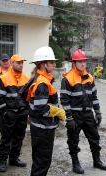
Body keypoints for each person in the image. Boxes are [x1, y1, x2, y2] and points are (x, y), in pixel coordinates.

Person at [60, 49, 106, 174]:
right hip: (75, 115)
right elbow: (64, 100)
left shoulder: (90, 78)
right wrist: (69, 118)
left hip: (88, 114)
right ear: (74, 63)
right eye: (80, 62)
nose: (83, 64)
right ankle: (75, 164)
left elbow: (94, 97)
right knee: (73, 140)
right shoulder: (68, 79)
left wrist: (98, 112)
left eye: (84, 62)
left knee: (94, 137)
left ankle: (97, 160)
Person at [26, 46, 65, 176]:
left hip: (41, 128)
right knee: (42, 162)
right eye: (52, 62)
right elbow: (41, 109)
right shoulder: (42, 83)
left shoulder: (41, 79)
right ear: (43, 65)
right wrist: (58, 111)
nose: (54, 64)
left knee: (39, 161)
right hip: (43, 130)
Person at [0, 54, 29, 172]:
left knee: (19, 137)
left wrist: (27, 112)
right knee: (6, 138)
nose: (21, 65)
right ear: (12, 63)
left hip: (22, 113)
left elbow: (28, 97)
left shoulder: (26, 78)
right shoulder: (3, 77)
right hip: (9, 114)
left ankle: (14, 158)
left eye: (22, 63)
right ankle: (2, 160)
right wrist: (4, 112)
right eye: (18, 63)